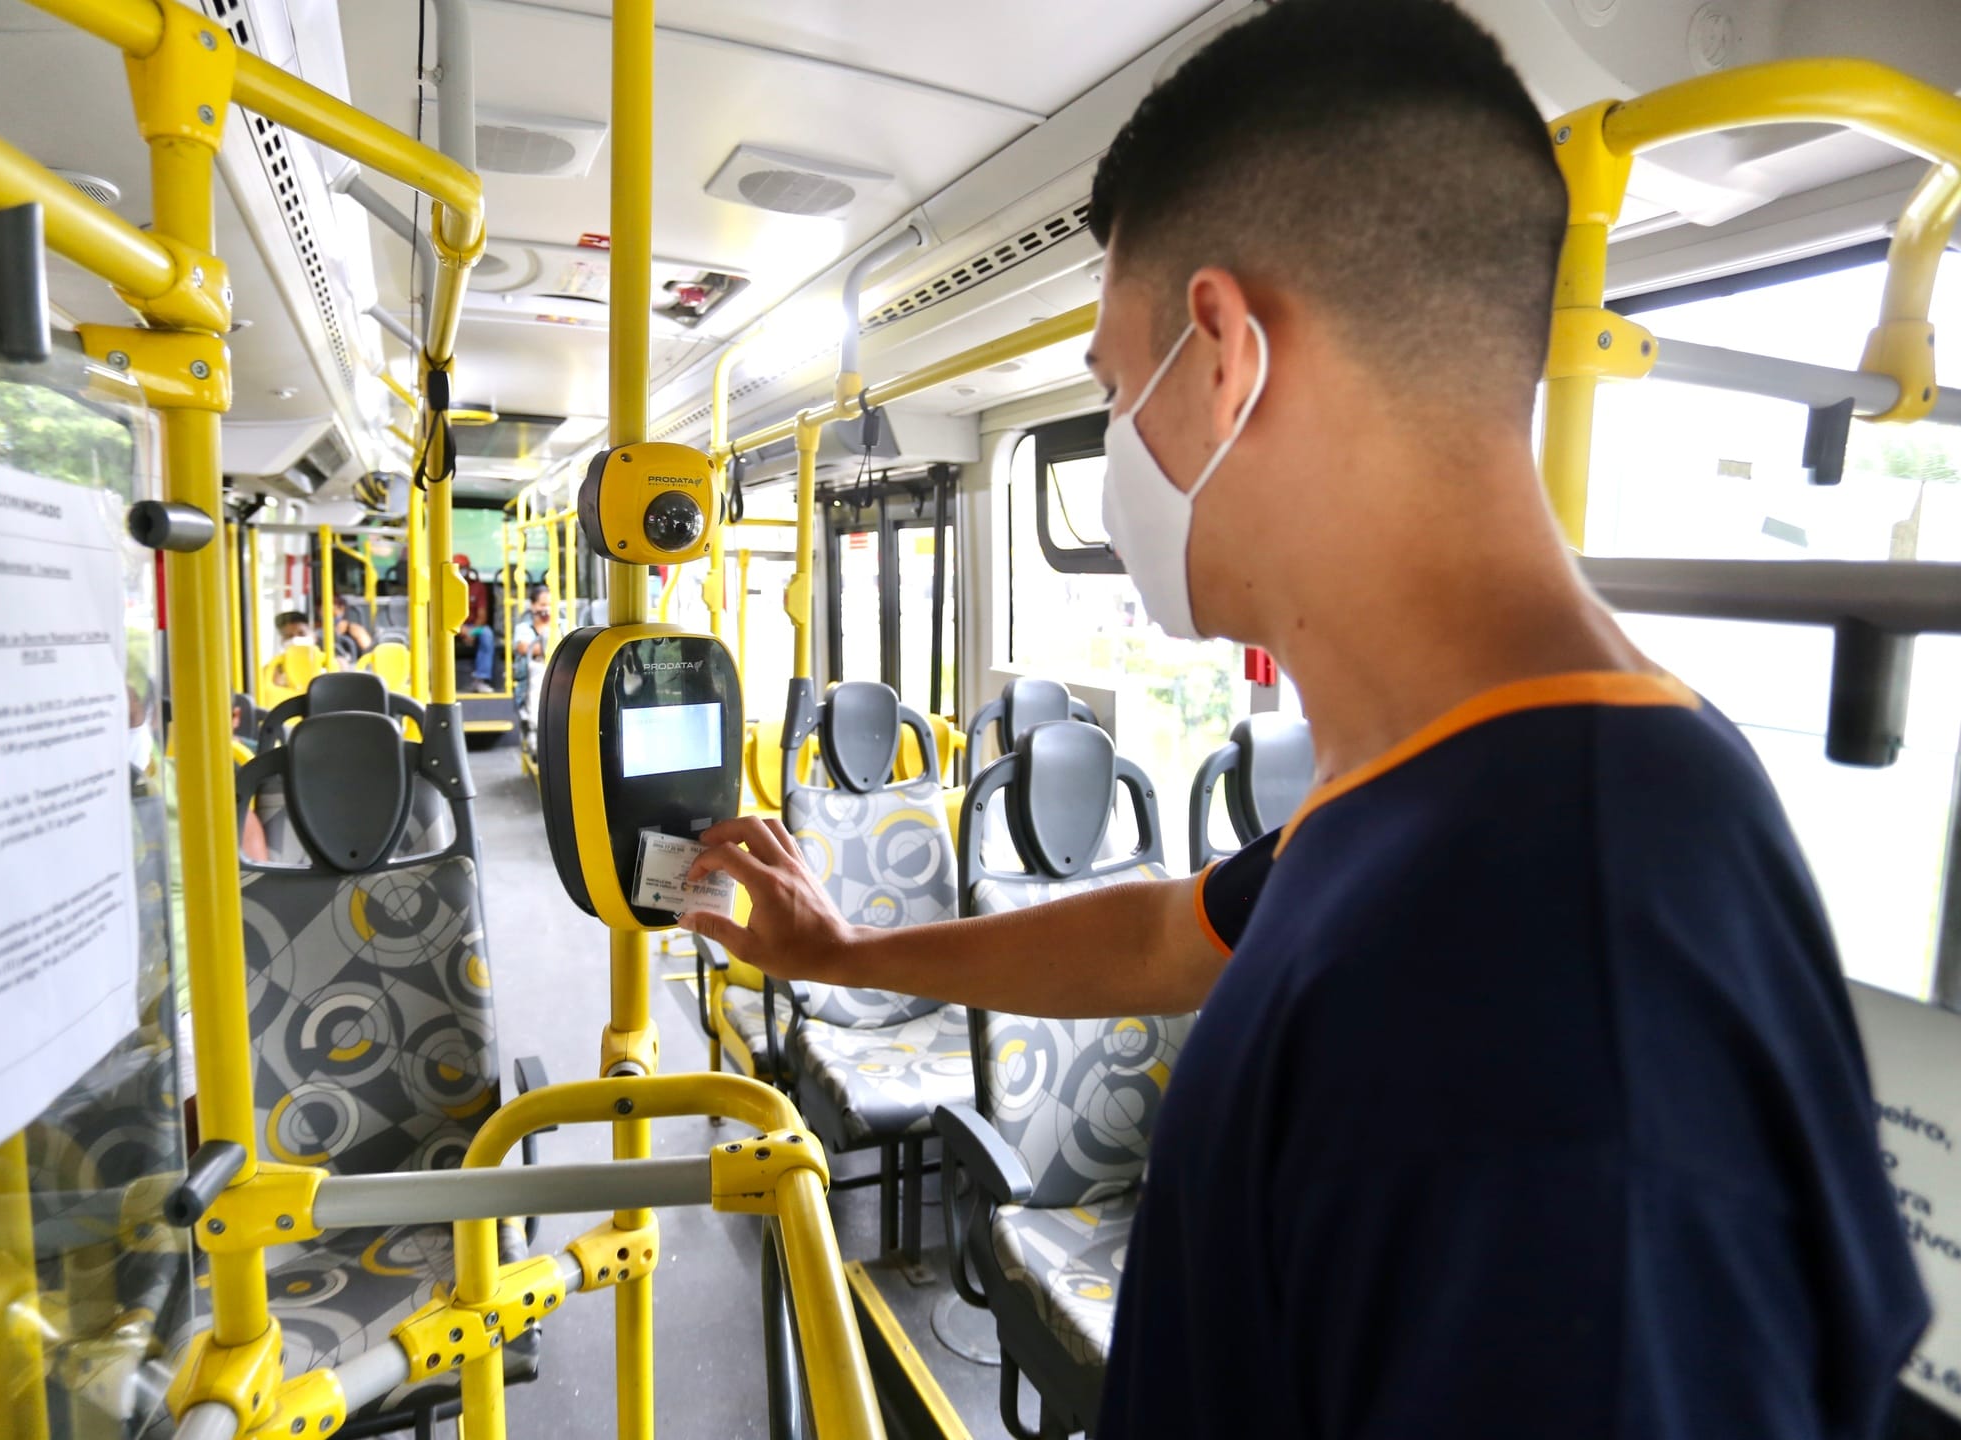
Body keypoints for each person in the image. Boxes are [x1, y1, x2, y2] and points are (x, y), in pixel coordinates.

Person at [685, 2, 1928, 1435]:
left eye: (1106, 386)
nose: (1118, 451)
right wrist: (847, 949)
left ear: (1222, 352)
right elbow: (1164, 934)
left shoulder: (1562, 972)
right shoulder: (1450, 790)